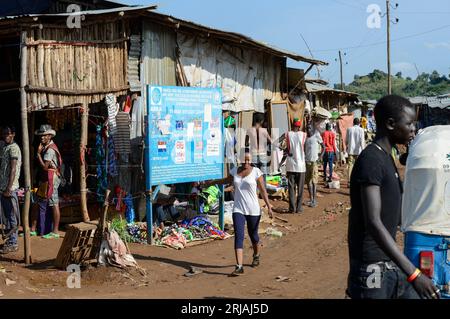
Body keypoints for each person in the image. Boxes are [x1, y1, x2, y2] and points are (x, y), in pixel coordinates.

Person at [346, 95, 439, 299]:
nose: (413, 129)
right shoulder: (371, 160)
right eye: (409, 123)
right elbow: (373, 222)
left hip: (389, 262)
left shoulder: (387, 157)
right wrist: (414, 273)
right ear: (390, 124)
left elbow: (395, 212)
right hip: (372, 268)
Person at [203, 151, 273, 276]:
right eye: (244, 160)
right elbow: (226, 180)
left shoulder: (257, 172)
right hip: (238, 208)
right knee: (239, 236)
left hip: (253, 210)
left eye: (248, 160)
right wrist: (212, 182)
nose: (246, 162)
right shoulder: (235, 171)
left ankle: (256, 254)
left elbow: (263, 191)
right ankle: (239, 266)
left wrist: (269, 206)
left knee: (253, 235)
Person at [33, 125, 63, 239]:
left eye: (44, 135)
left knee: (54, 203)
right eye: (41, 135)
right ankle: (38, 229)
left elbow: (45, 167)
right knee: (44, 201)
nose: (42, 138)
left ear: (50, 136)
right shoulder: (48, 147)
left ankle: (55, 231)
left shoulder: (50, 149)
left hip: (52, 177)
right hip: (49, 177)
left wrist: (38, 154)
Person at [0, 126, 21, 254]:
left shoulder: (14, 148)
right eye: (3, 134)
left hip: (10, 188)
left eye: (7, 134)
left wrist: (8, 188)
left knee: (12, 216)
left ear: (13, 134)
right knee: (7, 216)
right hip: (3, 187)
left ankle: (13, 243)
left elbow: (13, 169)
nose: (5, 136)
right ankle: (9, 241)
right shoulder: (5, 147)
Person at [285, 118, 307, 214]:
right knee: (300, 188)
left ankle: (292, 208)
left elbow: (277, 142)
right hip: (301, 165)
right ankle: (299, 208)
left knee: (291, 188)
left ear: (292, 125)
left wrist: (286, 151)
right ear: (299, 126)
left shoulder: (287, 134)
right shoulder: (303, 135)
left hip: (290, 164)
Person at [245, 113, 273, 184]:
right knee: (263, 175)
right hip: (263, 154)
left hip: (253, 154)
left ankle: (256, 193)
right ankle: (263, 192)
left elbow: (246, 143)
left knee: (254, 175)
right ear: (261, 121)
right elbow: (271, 141)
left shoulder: (249, 130)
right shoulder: (264, 130)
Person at [304, 125, 324, 208]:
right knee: (308, 181)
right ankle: (311, 198)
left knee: (314, 181)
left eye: (310, 128)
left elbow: (324, 147)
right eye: (307, 128)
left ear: (312, 129)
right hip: (307, 162)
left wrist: (320, 157)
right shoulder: (305, 138)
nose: (308, 130)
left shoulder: (316, 135)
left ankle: (314, 200)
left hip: (314, 162)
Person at [346, 118, 366, 187]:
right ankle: (358, 180)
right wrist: (363, 150)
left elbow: (346, 140)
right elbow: (362, 141)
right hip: (358, 151)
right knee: (359, 166)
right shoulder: (361, 130)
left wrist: (346, 146)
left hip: (350, 150)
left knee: (350, 166)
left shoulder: (349, 129)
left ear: (353, 123)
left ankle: (349, 182)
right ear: (359, 123)